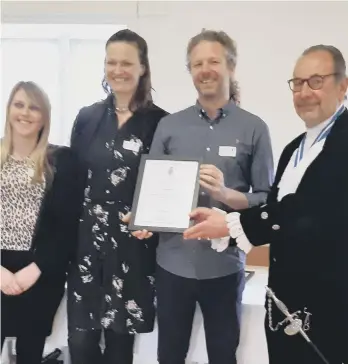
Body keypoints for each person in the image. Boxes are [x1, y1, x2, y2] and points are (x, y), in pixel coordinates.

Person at [183, 45, 348, 364]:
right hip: (287, 305)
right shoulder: (293, 149)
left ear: (342, 86)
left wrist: (231, 226)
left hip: (330, 307)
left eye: (315, 81)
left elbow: (311, 211)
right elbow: (277, 212)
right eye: (297, 83)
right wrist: (224, 219)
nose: (304, 92)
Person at [128, 29, 274, 364]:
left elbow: (264, 200)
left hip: (224, 268)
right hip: (171, 265)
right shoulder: (169, 126)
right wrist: (143, 218)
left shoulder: (254, 129)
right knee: (169, 355)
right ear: (190, 71)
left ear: (230, 67)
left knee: (223, 356)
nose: (205, 70)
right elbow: (151, 189)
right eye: (197, 64)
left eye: (213, 61)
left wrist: (225, 194)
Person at [67, 29, 168, 364]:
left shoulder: (161, 123)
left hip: (132, 245)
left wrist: (149, 217)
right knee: (80, 343)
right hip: (85, 246)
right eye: (111, 62)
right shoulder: (87, 117)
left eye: (127, 62)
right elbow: (72, 179)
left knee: (120, 349)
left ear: (142, 67)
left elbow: (165, 188)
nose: (118, 70)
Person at [0, 81, 81, 364]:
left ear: (44, 116)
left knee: (29, 353)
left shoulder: (62, 161)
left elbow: (67, 225)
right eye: (19, 105)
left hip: (40, 272)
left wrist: (36, 268)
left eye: (34, 107)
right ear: (9, 109)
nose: (25, 113)